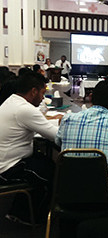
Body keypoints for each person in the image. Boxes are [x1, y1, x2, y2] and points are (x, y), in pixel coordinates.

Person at [0, 71, 60, 224]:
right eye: (42, 93)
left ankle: (20, 210)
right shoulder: (25, 110)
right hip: (9, 166)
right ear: (33, 91)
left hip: (11, 158)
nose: (42, 98)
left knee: (46, 162)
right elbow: (57, 136)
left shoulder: (12, 101)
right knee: (55, 173)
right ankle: (32, 217)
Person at [55, 80, 108, 194]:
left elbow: (58, 143)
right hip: (105, 196)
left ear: (90, 98)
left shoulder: (67, 119)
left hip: (67, 191)